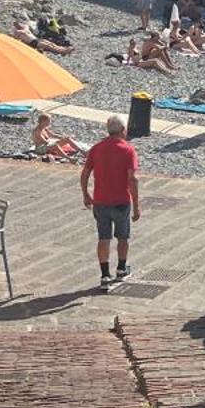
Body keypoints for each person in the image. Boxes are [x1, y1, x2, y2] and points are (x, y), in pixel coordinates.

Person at [80, 115, 141, 286]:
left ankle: (104, 274)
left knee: (103, 238)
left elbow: (85, 173)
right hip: (121, 200)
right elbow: (132, 179)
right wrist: (136, 205)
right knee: (123, 237)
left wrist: (85, 193)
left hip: (100, 201)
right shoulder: (128, 150)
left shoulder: (97, 148)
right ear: (123, 130)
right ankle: (121, 269)